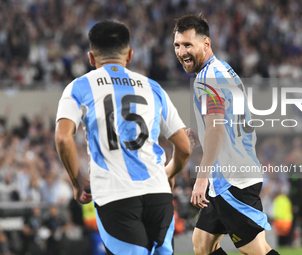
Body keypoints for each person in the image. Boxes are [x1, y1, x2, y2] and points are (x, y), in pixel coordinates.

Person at [55, 20, 190, 255]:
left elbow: (63, 138)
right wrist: (170, 173)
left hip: (115, 195)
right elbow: (185, 147)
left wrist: (77, 181)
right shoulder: (153, 87)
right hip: (158, 194)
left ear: (91, 58)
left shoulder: (78, 87)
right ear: (130, 55)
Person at [173, 14, 279, 255]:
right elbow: (230, 121)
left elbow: (217, 127)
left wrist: (201, 177)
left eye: (188, 45)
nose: (181, 52)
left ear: (206, 43)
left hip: (231, 180)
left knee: (256, 250)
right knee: (202, 244)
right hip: (231, 175)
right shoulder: (223, 70)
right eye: (177, 45)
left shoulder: (207, 79)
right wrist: (201, 133)